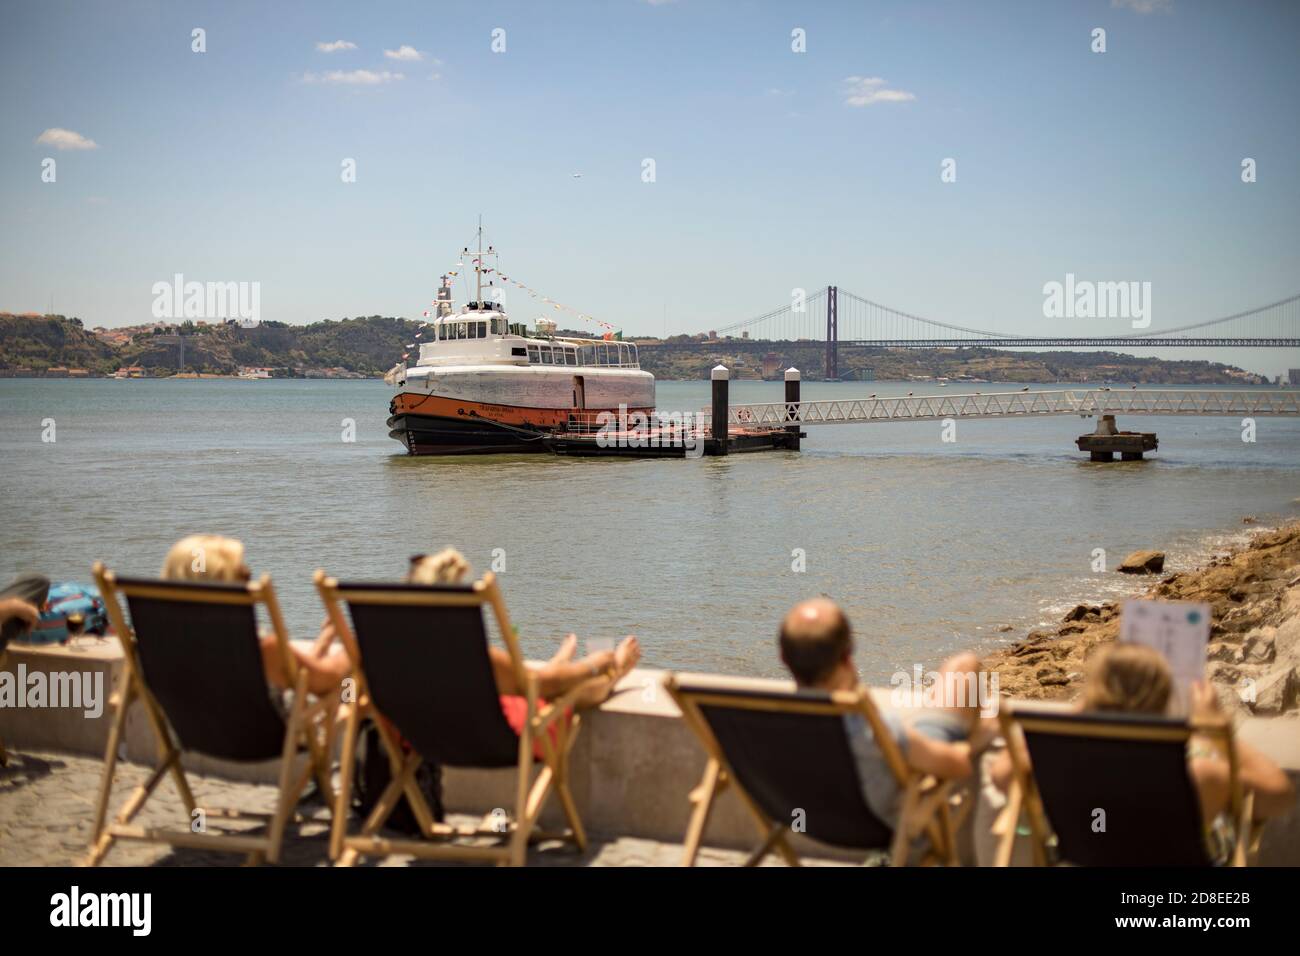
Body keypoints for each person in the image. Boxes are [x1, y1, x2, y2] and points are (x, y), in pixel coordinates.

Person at [988, 643, 1294, 833]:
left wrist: (1079, 712)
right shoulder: (1200, 774)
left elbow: (1001, 773)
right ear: (1165, 697)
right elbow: (1279, 794)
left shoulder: (1058, 765)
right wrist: (1215, 728)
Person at [778, 596, 993, 827]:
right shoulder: (874, 730)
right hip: (880, 821)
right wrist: (980, 737)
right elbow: (958, 765)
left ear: (783, 659)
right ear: (847, 657)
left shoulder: (768, 724)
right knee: (964, 666)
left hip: (816, 824)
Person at [406, 548, 641, 716]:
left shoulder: (386, 655)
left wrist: (559, 661)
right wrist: (596, 664)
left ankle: (566, 663)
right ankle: (618, 670)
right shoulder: (472, 658)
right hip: (495, 744)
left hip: (419, 743)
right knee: (563, 695)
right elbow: (542, 686)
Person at [160, 535, 350, 695]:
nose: (249, 577)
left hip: (182, 737)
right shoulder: (254, 647)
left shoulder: (155, 647)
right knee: (350, 686)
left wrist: (324, 641)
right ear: (224, 586)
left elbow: (292, 674)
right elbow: (327, 678)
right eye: (242, 574)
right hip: (275, 734)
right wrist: (352, 650)